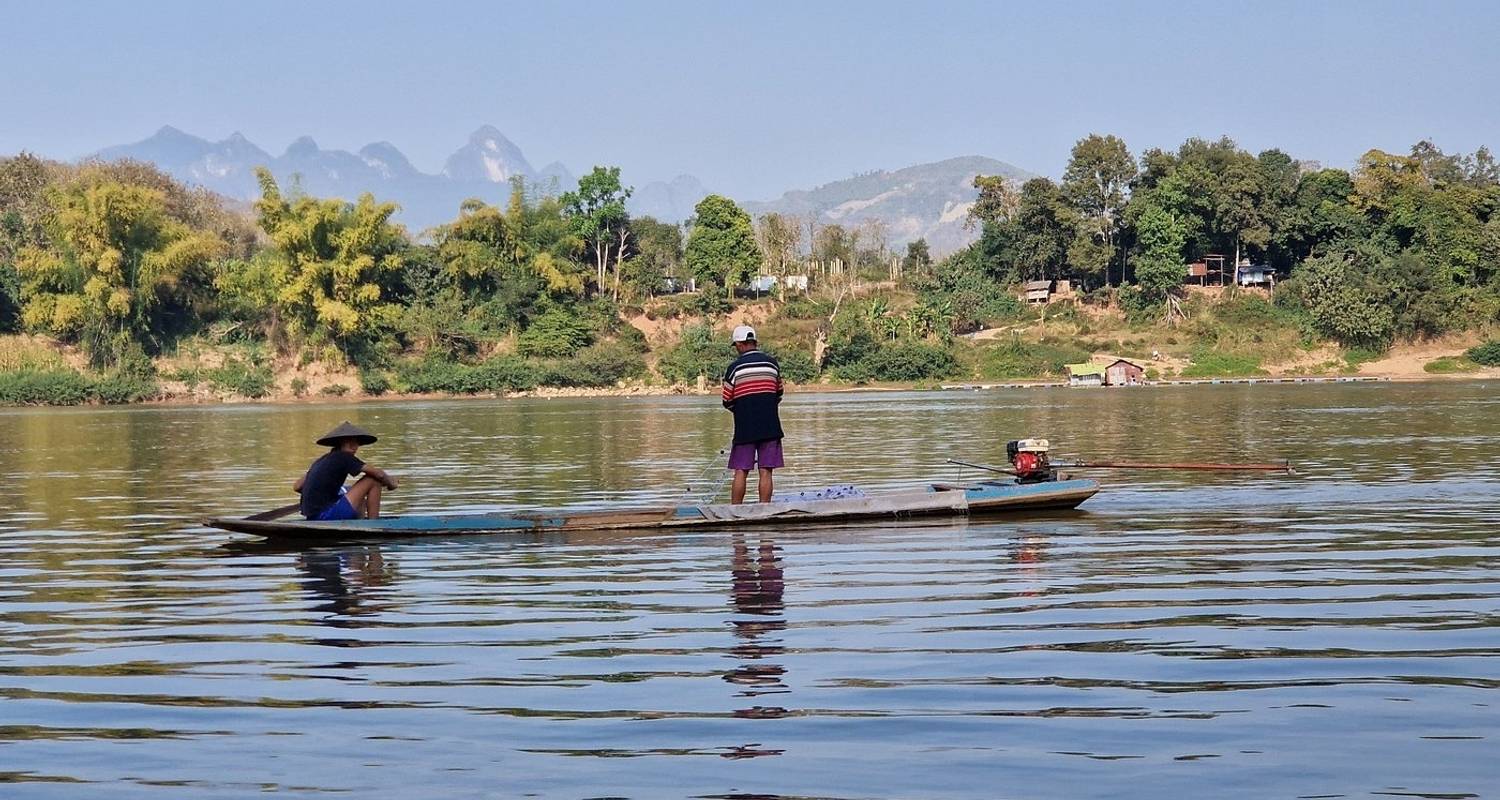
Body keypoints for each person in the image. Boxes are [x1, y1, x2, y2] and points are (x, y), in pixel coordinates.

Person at [721, 325, 784, 504]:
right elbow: (778, 393)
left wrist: (742, 411)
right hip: (770, 426)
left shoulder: (734, 368)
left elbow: (727, 400)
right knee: (766, 470)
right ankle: (764, 510)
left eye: (736, 346)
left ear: (740, 344)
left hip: (745, 428)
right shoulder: (772, 363)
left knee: (741, 470)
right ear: (754, 342)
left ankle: (735, 511)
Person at [294, 421, 398, 520]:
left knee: (352, 490)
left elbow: (298, 486)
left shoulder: (322, 460)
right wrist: (391, 483)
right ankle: (374, 524)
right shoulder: (344, 457)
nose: (354, 446)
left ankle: (359, 523)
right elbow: (379, 475)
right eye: (348, 441)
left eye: (356, 442)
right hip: (325, 515)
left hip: (312, 516)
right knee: (373, 480)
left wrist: (318, 494)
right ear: (340, 443)